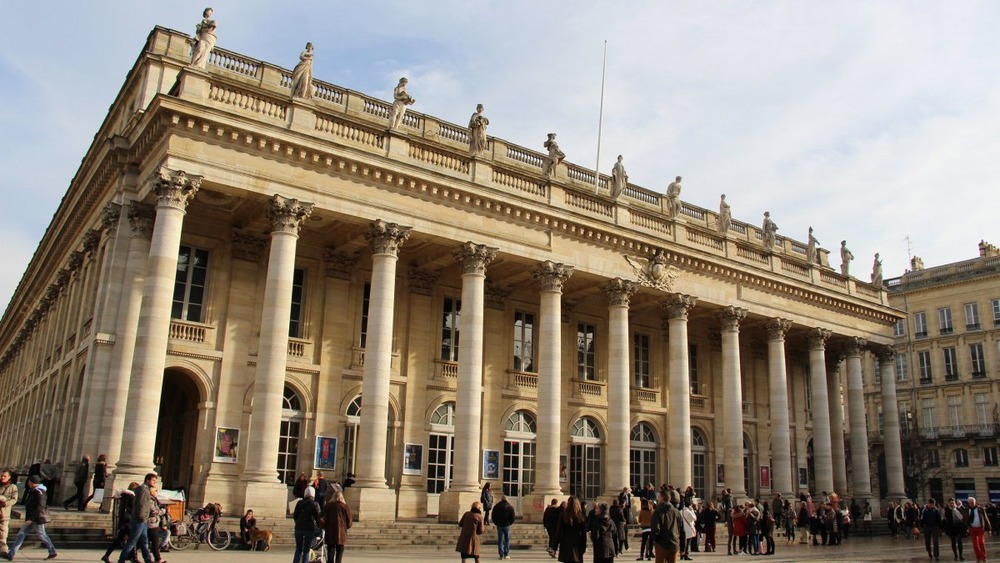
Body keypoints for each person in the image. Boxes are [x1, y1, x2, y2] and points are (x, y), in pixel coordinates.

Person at [3, 476, 56, 561]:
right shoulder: (34, 491)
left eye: (29, 482)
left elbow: (40, 507)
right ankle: (11, 554)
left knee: (42, 535)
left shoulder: (39, 492)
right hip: (31, 518)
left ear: (33, 483)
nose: (28, 483)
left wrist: (31, 519)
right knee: (21, 534)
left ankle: (52, 552)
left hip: (36, 519)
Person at [117, 473, 157, 563]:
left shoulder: (144, 489)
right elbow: (141, 505)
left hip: (142, 519)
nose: (154, 482)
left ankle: (148, 559)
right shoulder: (144, 490)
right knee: (132, 541)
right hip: (140, 519)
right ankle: (121, 559)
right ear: (147, 480)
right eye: (153, 480)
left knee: (144, 541)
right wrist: (142, 517)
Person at [101, 482, 136, 563]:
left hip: (124, 521)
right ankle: (132, 557)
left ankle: (106, 555)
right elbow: (132, 509)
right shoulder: (131, 497)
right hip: (128, 521)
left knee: (119, 540)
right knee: (132, 540)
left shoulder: (124, 496)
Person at [319, 490, 352, 563]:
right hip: (342, 533)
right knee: (340, 551)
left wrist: (324, 525)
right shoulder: (345, 507)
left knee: (330, 550)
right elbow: (349, 521)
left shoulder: (328, 506)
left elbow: (320, 516)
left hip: (330, 532)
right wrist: (345, 527)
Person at [650, 489, 680, 563]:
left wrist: (656, 540)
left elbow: (655, 528)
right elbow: (681, 529)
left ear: (662, 498)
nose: (657, 499)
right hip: (674, 544)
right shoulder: (676, 512)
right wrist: (681, 546)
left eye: (659, 497)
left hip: (662, 544)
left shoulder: (657, 511)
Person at [554, 496, 587, 563]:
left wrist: (554, 547)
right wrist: (583, 547)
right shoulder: (581, 516)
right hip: (577, 545)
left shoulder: (563, 515)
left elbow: (558, 532)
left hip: (565, 544)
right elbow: (583, 534)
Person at [292, 486, 320, 563]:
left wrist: (298, 523)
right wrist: (319, 526)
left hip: (299, 527)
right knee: (306, 550)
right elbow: (318, 517)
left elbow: (295, 515)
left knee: (298, 548)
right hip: (309, 528)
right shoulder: (315, 504)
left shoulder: (299, 503)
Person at [965, 497, 990, 562]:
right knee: (975, 545)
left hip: (980, 528)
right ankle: (978, 558)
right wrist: (966, 527)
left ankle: (983, 557)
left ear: (975, 502)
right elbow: (965, 519)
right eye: (970, 503)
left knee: (981, 542)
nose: (972, 504)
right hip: (972, 528)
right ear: (968, 503)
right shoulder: (967, 509)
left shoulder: (980, 508)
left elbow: (985, 518)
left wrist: (989, 529)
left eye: (973, 502)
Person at [491, 494, 515, 560]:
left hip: (499, 524)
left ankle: (501, 555)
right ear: (507, 500)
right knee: (507, 539)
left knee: (500, 540)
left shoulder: (496, 506)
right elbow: (512, 517)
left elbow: (493, 515)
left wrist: (496, 522)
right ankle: (506, 554)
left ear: (501, 499)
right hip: (507, 525)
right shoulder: (510, 507)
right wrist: (510, 523)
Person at [0, 470, 18, 555]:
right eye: (1, 476)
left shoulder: (12, 487)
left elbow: (14, 499)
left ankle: (3, 550)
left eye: (4, 476)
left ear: (9, 477)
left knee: (3, 533)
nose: (2, 477)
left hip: (4, 513)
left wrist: (5, 502)